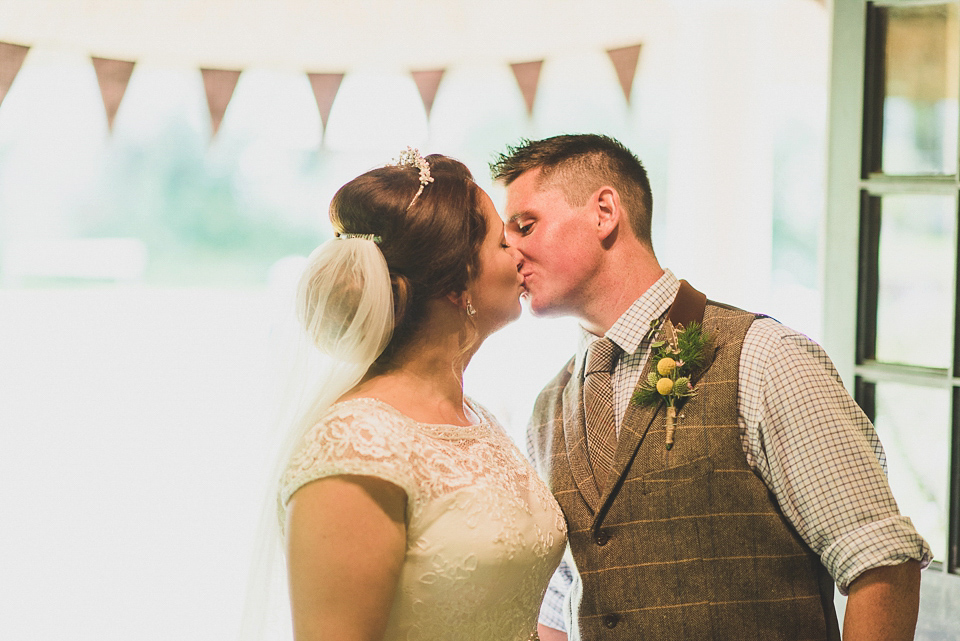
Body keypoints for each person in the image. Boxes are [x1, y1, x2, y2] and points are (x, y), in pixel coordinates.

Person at [489, 134, 931, 641]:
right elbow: (562, 598)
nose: (512, 252)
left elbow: (881, 561)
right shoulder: (547, 409)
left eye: (525, 226)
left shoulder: (766, 357)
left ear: (604, 212)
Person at [277, 150, 566, 640]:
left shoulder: (477, 419)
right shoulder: (356, 444)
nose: (519, 253)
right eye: (501, 242)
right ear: (457, 286)